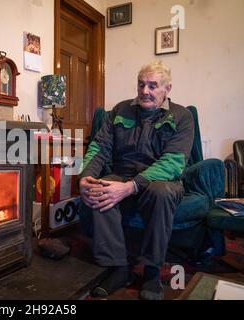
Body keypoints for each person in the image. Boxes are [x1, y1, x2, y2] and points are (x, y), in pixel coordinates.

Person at [78, 61, 194, 300]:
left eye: (153, 85)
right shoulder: (120, 110)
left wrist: (131, 187)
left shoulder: (182, 116)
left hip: (162, 179)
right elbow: (98, 147)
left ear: (167, 88)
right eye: (141, 84)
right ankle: (119, 267)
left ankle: (152, 272)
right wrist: (85, 176)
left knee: (160, 193)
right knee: (101, 188)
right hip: (122, 174)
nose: (145, 91)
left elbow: (172, 163)